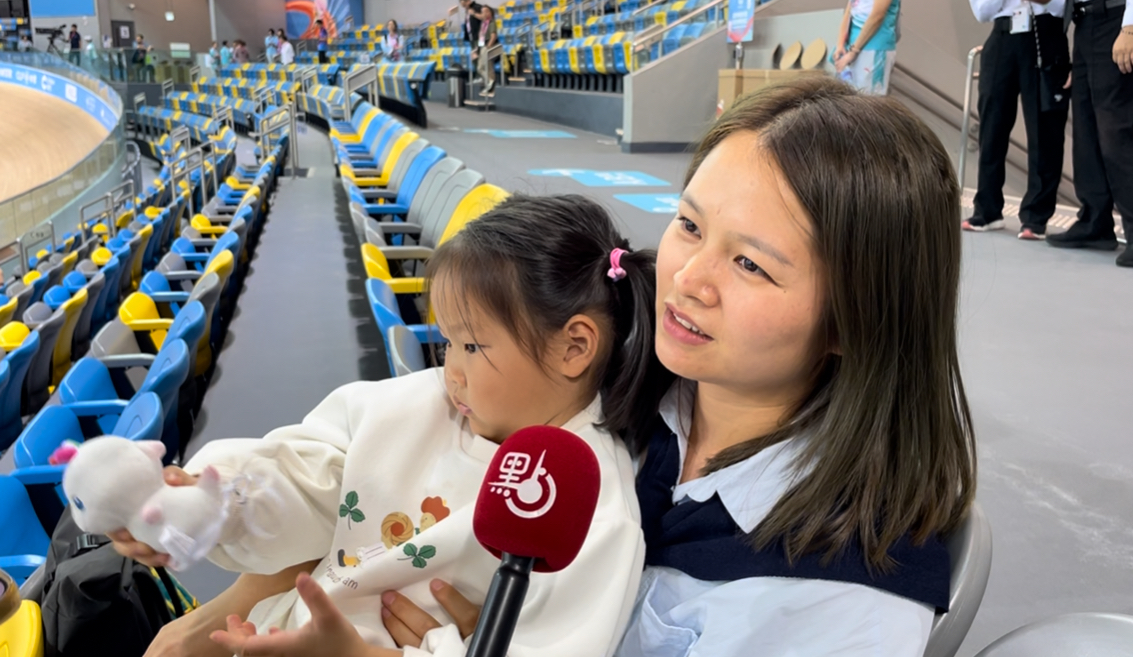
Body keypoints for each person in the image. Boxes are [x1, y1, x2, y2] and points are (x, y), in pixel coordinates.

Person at [383, 76, 977, 656]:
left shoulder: (842, 608)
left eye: (750, 264)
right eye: (690, 225)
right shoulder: (616, 377)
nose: (688, 280)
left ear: (852, 321)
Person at [119, 195, 659, 657]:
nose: (451, 369)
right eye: (447, 343)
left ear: (574, 347)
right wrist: (219, 503)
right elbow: (308, 476)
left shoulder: (597, 515)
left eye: (473, 346)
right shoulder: (420, 403)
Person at [1046, 0, 1133, 266]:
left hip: (1120, 18)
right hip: (1086, 22)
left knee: (1116, 127)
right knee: (1086, 127)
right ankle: (1095, 221)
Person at [962, 0, 1069, 241]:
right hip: (1002, 35)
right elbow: (982, 11)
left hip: (1044, 33)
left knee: (1044, 128)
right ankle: (987, 210)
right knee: (991, 126)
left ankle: (1036, 216)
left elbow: (1063, 7)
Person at [833, 0, 900, 95]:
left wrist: (853, 52)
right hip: (852, 46)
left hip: (875, 48)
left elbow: (877, 16)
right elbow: (849, 11)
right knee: (848, 96)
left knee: (867, 98)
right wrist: (840, 44)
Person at [473, 4, 498, 92]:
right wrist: (477, 49)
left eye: (487, 11)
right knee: (479, 68)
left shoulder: (492, 23)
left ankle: (491, 82)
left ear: (491, 12)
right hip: (483, 46)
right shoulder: (483, 24)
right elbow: (481, 38)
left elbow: (493, 36)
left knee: (487, 65)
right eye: (483, 12)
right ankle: (490, 81)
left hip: (490, 46)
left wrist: (488, 47)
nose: (485, 13)